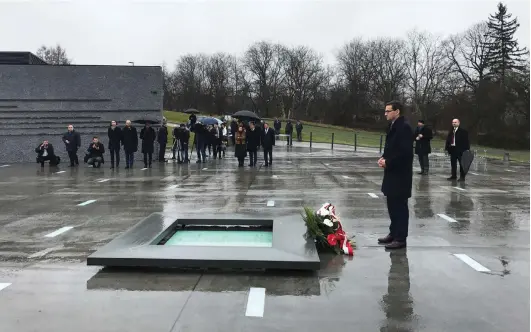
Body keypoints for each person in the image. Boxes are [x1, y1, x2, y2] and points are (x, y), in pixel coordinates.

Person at [377, 100, 413, 250]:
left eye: (388, 111)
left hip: (400, 175)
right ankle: (393, 232)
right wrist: (383, 158)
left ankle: (400, 237)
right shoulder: (393, 126)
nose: (385, 113)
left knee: (400, 207)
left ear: (397, 111)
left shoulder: (404, 128)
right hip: (392, 172)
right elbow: (391, 148)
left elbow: (405, 154)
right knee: (392, 205)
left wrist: (389, 162)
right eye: (385, 111)